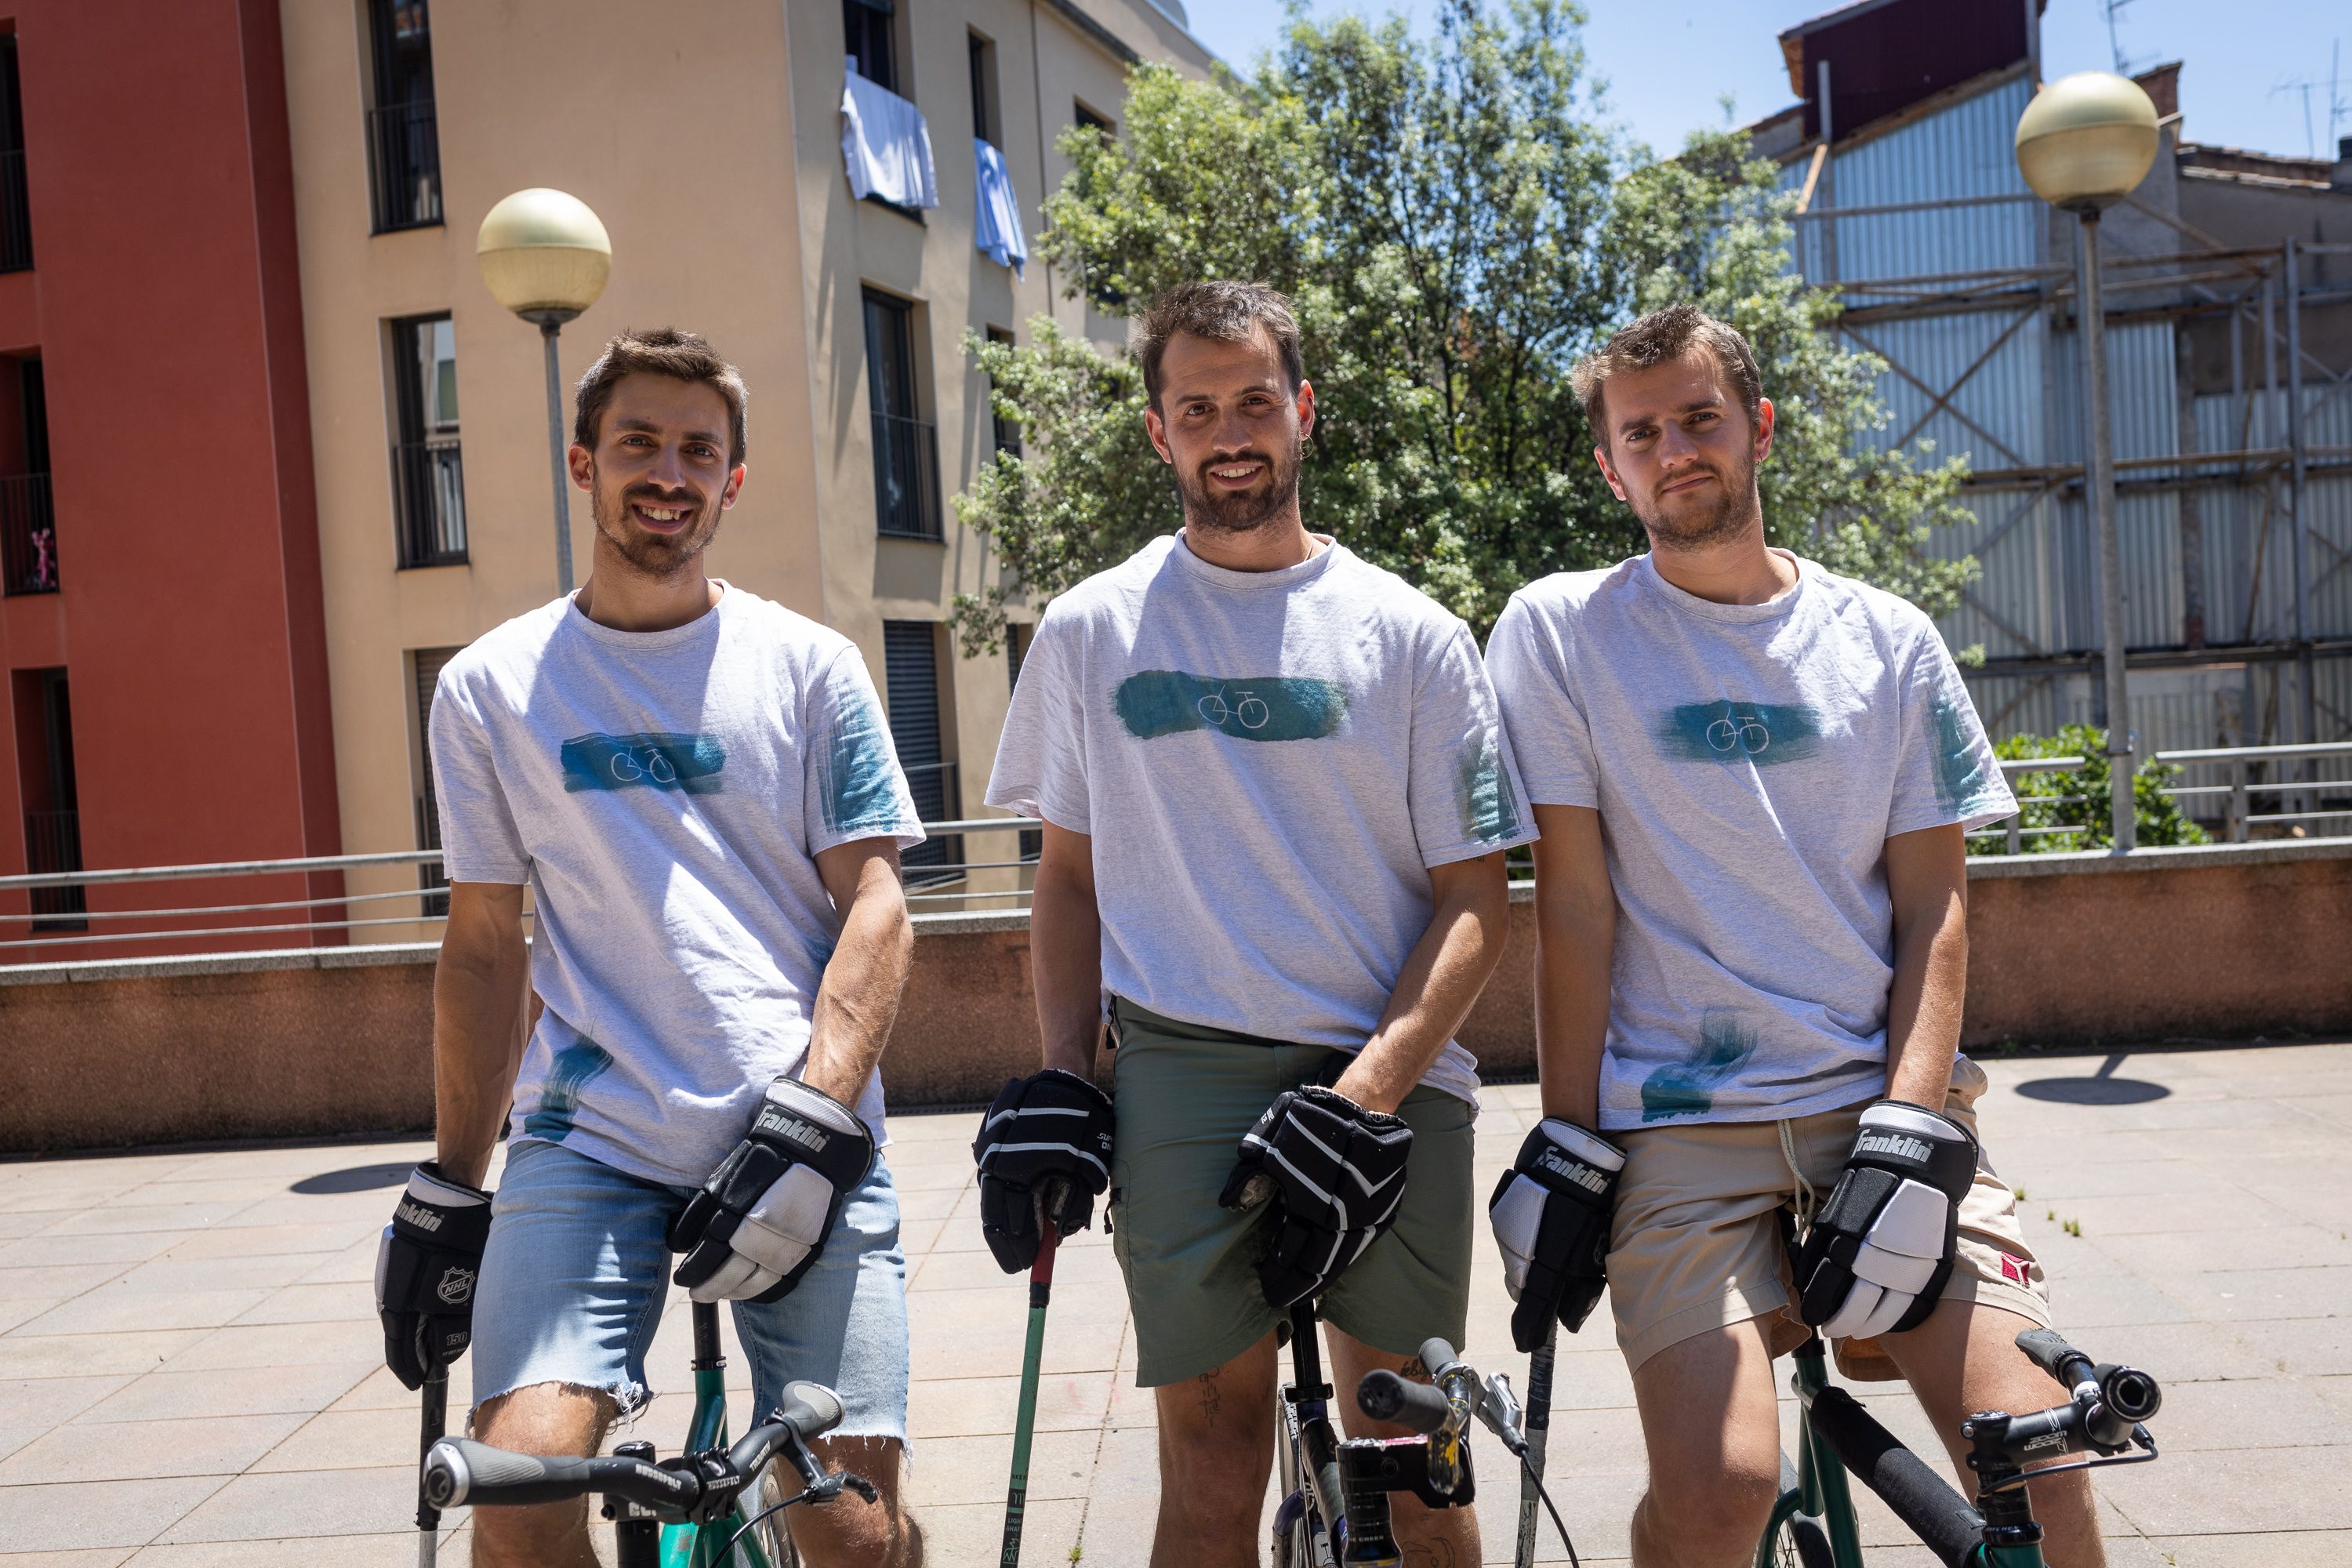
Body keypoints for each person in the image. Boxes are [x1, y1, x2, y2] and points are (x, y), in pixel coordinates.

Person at [1482, 301, 2106, 1568]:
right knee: (1719, 1495)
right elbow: (1577, 908)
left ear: (1758, 428)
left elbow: (1937, 905)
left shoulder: (1887, 641)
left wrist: (1911, 1129)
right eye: (1641, 431)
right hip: (1675, 1131)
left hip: (1879, 1104)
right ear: (1611, 467)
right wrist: (1566, 1145)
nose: (1675, 450)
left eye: (1700, 418)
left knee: (2043, 1462)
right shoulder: (1557, 633)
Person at [972, 280, 1535, 1568]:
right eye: (1197, 406)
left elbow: (1476, 900)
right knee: (1214, 1466)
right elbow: (1067, 880)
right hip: (1182, 1062)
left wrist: (1369, 1093)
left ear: (1304, 412)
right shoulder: (1091, 630)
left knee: (1417, 1469)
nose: (1230, 429)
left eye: (1255, 401)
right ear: (1159, 434)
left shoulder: (1412, 636)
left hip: (1387, 1070)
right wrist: (1068, 1075)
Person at [373, 328, 927, 1568]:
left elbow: (879, 908)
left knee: (850, 1532)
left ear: (734, 480)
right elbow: (480, 945)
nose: (667, 472)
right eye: (638, 444)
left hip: (804, 1134)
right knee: (516, 1502)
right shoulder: (489, 687)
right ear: (584, 464)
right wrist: (452, 1189)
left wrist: (811, 1119)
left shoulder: (810, 668)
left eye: (698, 450)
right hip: (594, 1139)